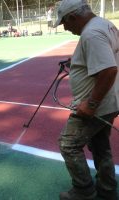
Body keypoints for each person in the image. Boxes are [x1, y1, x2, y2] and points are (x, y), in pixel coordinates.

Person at [53, 0, 119, 199]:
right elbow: (109, 56)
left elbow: (109, 70)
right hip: (111, 100)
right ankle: (107, 189)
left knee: (68, 144)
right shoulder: (104, 24)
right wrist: (81, 60)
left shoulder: (91, 34)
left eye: (64, 22)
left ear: (73, 17)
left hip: (98, 104)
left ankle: (83, 190)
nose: (64, 27)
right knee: (99, 144)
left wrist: (90, 104)